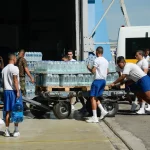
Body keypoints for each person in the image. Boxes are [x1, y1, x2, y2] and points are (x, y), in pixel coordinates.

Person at [86, 46, 109, 123]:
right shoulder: (106, 61)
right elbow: (107, 71)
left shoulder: (97, 60)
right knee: (96, 97)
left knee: (92, 98)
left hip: (97, 81)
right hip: (103, 80)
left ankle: (94, 117)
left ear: (97, 52)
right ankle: (102, 111)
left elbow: (93, 71)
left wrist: (88, 68)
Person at [2, 53, 22, 137]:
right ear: (13, 59)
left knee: (7, 111)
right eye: (16, 59)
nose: (16, 60)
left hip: (6, 91)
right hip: (13, 91)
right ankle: (16, 131)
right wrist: (17, 91)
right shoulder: (15, 68)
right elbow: (15, 80)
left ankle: (6, 130)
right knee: (16, 110)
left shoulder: (4, 69)